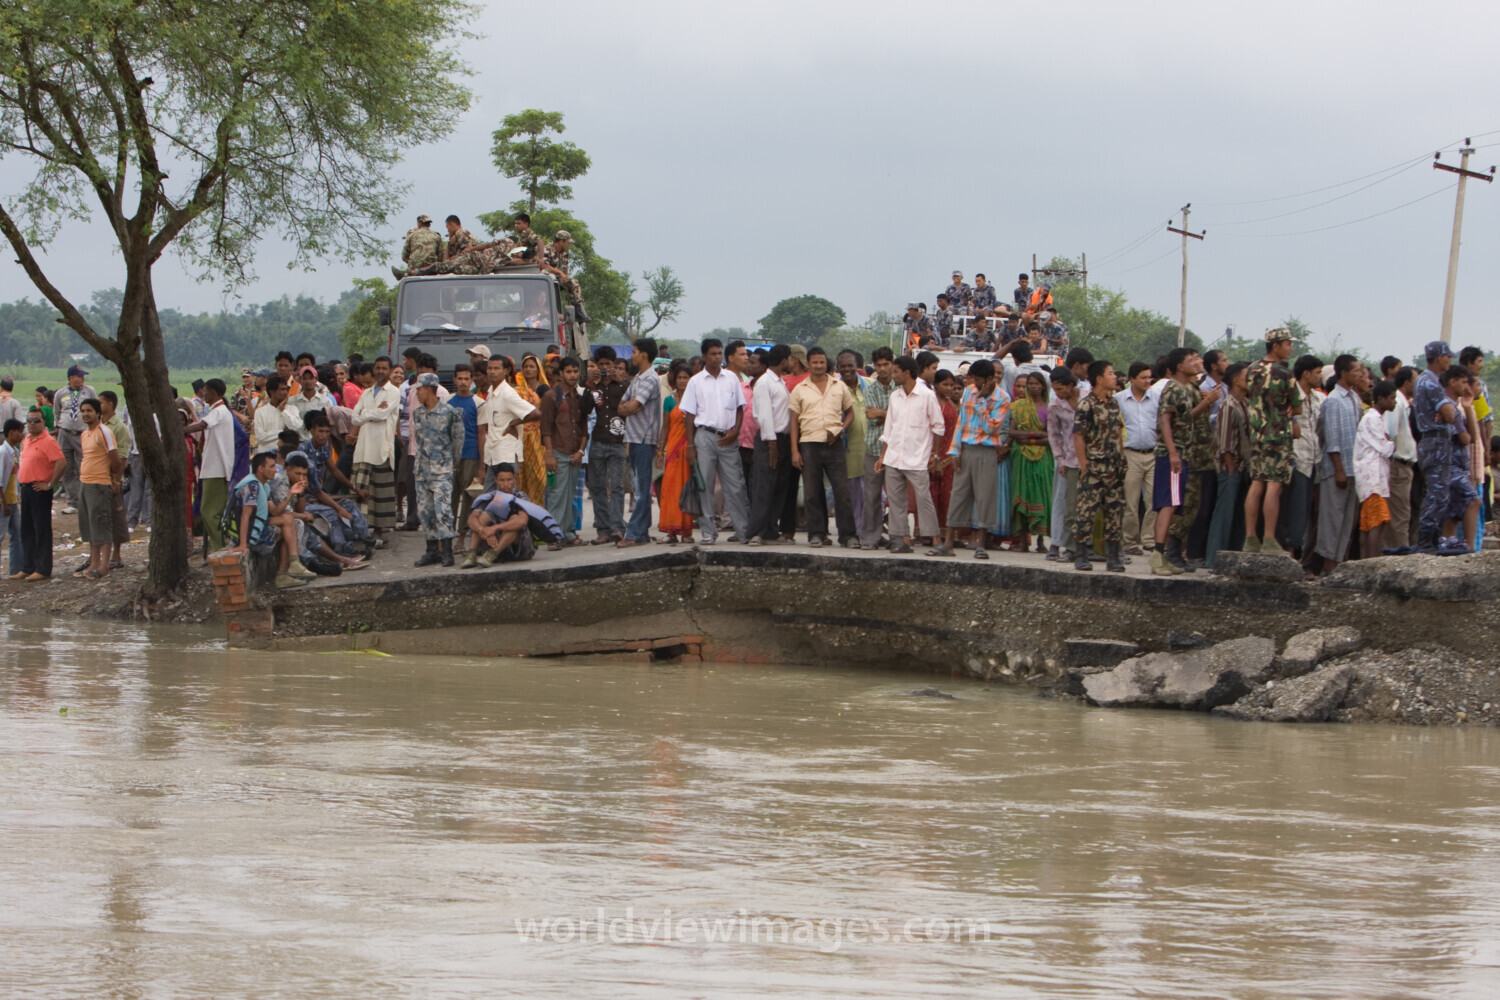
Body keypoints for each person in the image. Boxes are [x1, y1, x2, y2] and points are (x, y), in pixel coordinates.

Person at [929, 360, 1008, 559]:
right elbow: (961, 422)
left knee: (984, 497)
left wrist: (982, 401)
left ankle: (981, 544)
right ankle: (948, 544)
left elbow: (992, 427)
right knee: (958, 495)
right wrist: (954, 451)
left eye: (979, 380)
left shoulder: (1002, 398)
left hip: (986, 450)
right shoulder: (969, 391)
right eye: (974, 379)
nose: (975, 383)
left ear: (990, 379)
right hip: (966, 448)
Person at [680, 338, 750, 545]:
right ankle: (708, 532)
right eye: (713, 354)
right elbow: (689, 416)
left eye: (719, 353)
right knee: (705, 486)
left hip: (728, 438)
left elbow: (739, 408)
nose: (717, 357)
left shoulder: (731, 379)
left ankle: (742, 530)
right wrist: (691, 445)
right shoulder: (695, 381)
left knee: (735, 486)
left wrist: (735, 431)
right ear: (704, 356)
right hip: (704, 436)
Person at [874, 356, 944, 553]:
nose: (892, 375)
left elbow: (938, 427)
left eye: (896, 371)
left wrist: (935, 455)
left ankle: (936, 540)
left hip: (918, 457)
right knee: (896, 501)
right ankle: (903, 540)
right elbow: (889, 430)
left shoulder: (927, 396)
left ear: (906, 372)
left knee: (924, 499)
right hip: (895, 456)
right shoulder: (895, 396)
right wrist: (882, 457)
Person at [1241, 328, 1301, 556]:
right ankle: (1268, 538)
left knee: (1257, 483)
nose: (1290, 347)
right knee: (1274, 487)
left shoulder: (1251, 370)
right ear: (1276, 346)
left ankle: (1250, 537)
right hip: (1278, 435)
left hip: (1256, 435)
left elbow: (1251, 397)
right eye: (1287, 343)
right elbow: (1297, 407)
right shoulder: (1286, 373)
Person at [789, 347, 856, 548]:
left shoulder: (839, 386)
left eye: (821, 362)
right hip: (809, 444)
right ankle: (817, 533)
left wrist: (841, 430)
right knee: (812, 492)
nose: (818, 366)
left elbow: (850, 413)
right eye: (815, 362)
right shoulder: (800, 389)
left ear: (826, 363)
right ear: (808, 364)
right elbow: (793, 422)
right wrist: (794, 451)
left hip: (834, 444)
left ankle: (848, 535)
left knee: (842, 492)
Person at [1150, 348, 1205, 576]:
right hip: (1172, 454)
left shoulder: (1186, 389)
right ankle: (1157, 554)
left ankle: (1162, 555)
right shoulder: (1173, 388)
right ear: (1180, 366)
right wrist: (1173, 453)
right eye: (1191, 360)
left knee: (1173, 504)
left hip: (1183, 452)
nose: (1196, 362)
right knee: (1168, 503)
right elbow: (1164, 420)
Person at [1314, 356, 1368, 573]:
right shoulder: (1334, 400)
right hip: (1338, 469)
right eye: (1355, 370)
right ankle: (1328, 566)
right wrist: (1339, 469)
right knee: (1332, 518)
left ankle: (1339, 564)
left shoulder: (1354, 398)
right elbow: (1332, 438)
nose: (1359, 374)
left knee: (1347, 520)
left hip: (1353, 467)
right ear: (1344, 373)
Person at [411, 373, 465, 567]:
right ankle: (432, 550)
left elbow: (458, 441)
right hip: (422, 470)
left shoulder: (450, 413)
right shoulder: (418, 413)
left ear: (430, 389)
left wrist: (453, 464)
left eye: (420, 389)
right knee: (425, 512)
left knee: (443, 511)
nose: (417, 393)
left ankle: (447, 551)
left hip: (441, 469)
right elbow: (418, 440)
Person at [233, 451, 307, 589]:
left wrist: (291, 493)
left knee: (289, 523)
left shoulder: (264, 485)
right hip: (252, 536)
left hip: (258, 527)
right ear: (261, 468)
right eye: (272, 467)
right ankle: (289, 568)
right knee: (289, 525)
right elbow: (245, 515)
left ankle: (290, 567)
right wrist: (243, 544)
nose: (275, 470)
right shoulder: (252, 486)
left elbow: (275, 511)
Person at [540, 356, 593, 546]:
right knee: (556, 496)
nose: (573, 375)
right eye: (569, 372)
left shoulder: (579, 398)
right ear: (561, 373)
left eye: (575, 371)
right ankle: (553, 536)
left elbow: (584, 428)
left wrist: (581, 451)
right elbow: (545, 429)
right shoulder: (551, 397)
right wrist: (549, 455)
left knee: (571, 496)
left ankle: (568, 533)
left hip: (575, 454)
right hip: (558, 452)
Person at [349, 355, 401, 546]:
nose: (380, 371)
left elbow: (382, 414)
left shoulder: (393, 392)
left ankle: (379, 532)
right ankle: (362, 532)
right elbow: (354, 418)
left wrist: (366, 413)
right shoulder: (367, 392)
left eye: (384, 368)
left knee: (381, 493)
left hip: (382, 448)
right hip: (363, 447)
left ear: (389, 370)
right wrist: (372, 412)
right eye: (377, 368)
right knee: (361, 490)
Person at [1203, 362, 1251, 568]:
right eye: (1246, 376)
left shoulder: (1246, 403)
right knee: (1223, 515)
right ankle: (1214, 559)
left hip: (1242, 467)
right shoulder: (1228, 405)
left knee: (1238, 516)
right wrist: (1230, 469)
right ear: (1236, 381)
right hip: (1229, 468)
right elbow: (1224, 443)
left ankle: (1231, 558)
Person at [617, 338, 663, 548]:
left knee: (642, 489)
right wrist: (630, 407)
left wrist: (630, 406)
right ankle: (641, 532)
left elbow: (634, 405)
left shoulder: (650, 379)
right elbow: (621, 407)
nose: (632, 355)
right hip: (634, 437)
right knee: (639, 485)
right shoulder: (637, 379)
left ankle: (634, 533)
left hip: (644, 438)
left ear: (644, 354)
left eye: (634, 351)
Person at [71, 399, 122, 580]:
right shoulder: (85, 434)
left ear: (98, 413)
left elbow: (115, 458)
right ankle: (93, 561)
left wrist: (114, 478)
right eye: (83, 411)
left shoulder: (104, 432)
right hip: (85, 483)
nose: (85, 414)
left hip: (100, 484)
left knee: (101, 522)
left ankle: (104, 565)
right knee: (89, 524)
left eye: (89, 411)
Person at [1413, 341, 1457, 551]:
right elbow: (1450, 414)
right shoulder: (1431, 383)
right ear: (1439, 357)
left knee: (1438, 493)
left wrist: (1448, 408)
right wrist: (1450, 407)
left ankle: (1431, 540)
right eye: (1447, 356)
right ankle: (1426, 542)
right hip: (1436, 441)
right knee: (1437, 494)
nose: (1449, 359)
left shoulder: (1427, 381)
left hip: (1433, 440)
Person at [184, 379, 235, 556]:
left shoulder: (219, 411)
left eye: (205, 391)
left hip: (216, 467)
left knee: (209, 511)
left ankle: (220, 546)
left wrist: (181, 430)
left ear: (213, 392)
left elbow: (202, 425)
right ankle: (220, 544)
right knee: (213, 510)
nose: (203, 394)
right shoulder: (219, 411)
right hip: (214, 467)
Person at [585, 346, 629, 544]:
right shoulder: (594, 387)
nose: (604, 368)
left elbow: (632, 403)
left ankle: (617, 528)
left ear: (614, 365)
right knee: (598, 487)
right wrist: (591, 384)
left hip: (619, 442)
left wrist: (620, 382)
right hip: (598, 441)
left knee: (618, 486)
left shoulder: (623, 385)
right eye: (600, 364)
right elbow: (585, 408)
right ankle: (603, 529)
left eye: (607, 365)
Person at [461, 480, 559, 568]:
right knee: (483, 517)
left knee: (514, 518)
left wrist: (494, 528)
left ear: (514, 479)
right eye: (502, 480)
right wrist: (483, 531)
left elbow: (522, 521)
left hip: (520, 549)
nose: (506, 484)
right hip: (492, 541)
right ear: (496, 480)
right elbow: (471, 519)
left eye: (509, 480)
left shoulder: (520, 496)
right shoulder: (490, 497)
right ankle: (471, 555)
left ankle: (492, 555)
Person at [1115, 362, 1159, 555]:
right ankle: (1130, 541)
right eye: (1143, 377)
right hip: (1130, 453)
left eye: (1149, 377)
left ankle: (1149, 538)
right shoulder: (1119, 399)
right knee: (1130, 500)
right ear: (1132, 379)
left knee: (1153, 498)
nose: (1147, 381)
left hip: (1153, 453)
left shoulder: (1156, 398)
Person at [478, 355, 539, 491]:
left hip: (506, 454)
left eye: (496, 368)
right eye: (490, 368)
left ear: (505, 371)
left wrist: (513, 424)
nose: (492, 372)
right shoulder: (491, 392)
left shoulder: (508, 393)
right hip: (494, 453)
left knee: (507, 498)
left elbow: (535, 413)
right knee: (491, 497)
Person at [1008, 371, 1053, 551]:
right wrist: (1037, 435)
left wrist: (1027, 438)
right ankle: (1023, 541)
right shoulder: (1018, 407)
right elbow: (1012, 432)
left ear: (1043, 386)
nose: (1033, 387)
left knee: (1043, 494)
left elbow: (1051, 436)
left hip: (1043, 457)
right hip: (1021, 457)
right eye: (1030, 384)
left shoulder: (1049, 408)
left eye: (1036, 383)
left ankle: (1041, 541)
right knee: (1021, 494)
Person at [1355, 379, 1398, 561]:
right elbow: (1385, 448)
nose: (1395, 402)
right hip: (1372, 480)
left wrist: (1388, 442)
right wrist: (1391, 443)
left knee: (1367, 523)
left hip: (1374, 479)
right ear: (1381, 399)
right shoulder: (1372, 419)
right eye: (1392, 398)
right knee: (1376, 521)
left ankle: (1365, 560)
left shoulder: (1375, 419)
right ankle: (1371, 560)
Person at [656, 362, 696, 545]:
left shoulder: (696, 399)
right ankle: (671, 531)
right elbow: (665, 427)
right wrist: (660, 450)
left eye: (685, 378)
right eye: (679, 377)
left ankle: (686, 531)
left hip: (689, 449)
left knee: (687, 489)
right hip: (672, 449)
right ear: (675, 379)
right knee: (670, 489)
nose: (682, 381)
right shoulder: (669, 401)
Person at [445, 363, 484, 539]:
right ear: (454, 380)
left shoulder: (479, 403)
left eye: (466, 379)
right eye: (459, 378)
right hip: (450, 456)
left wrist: (482, 464)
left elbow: (482, 433)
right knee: (450, 495)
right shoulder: (446, 402)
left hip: (470, 454)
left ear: (471, 380)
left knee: (468, 495)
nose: (463, 382)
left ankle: (462, 535)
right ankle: (448, 533)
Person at [1046, 368, 1081, 563]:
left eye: (1060, 389)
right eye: (1055, 389)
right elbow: (1054, 435)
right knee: (1063, 503)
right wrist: (1060, 460)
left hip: (1089, 459)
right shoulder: (1055, 406)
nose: (1058, 393)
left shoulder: (1088, 398)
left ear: (1070, 385)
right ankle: (1059, 543)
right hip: (1068, 460)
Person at [52, 364, 96, 514]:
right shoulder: (60, 393)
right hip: (65, 433)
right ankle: (72, 502)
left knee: (85, 466)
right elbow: (57, 411)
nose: (83, 378)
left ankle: (86, 500)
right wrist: (58, 426)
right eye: (80, 376)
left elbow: (97, 410)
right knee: (66, 467)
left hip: (82, 433)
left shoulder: (89, 391)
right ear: (71, 378)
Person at [1385, 366, 1419, 550]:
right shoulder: (1396, 402)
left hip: (1403, 465)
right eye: (1416, 381)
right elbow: (1388, 433)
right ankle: (1399, 553)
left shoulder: (1404, 404)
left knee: (1401, 512)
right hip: (1398, 465)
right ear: (1407, 383)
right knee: (1400, 514)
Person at [97, 392, 132, 567]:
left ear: (110, 404)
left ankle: (116, 555)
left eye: (100, 402)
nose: (98, 405)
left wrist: (117, 480)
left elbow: (123, 457)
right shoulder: (97, 425)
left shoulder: (119, 428)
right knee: (99, 517)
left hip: (111, 477)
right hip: (97, 476)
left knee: (115, 516)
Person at [252, 375, 304, 451]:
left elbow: (297, 428)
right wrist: (283, 433)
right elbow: (260, 438)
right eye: (282, 389)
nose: (286, 392)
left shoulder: (292, 409)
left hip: (287, 455)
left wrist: (283, 410)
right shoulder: (260, 412)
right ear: (271, 391)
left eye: (286, 389)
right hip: (266, 455)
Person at [1, 419, 23, 577]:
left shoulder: (14, 451)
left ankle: (16, 569)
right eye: (19, 431)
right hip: (5, 501)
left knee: (17, 533)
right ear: (11, 432)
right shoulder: (3, 452)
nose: (22, 434)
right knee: (1, 535)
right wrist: (3, 504)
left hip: (12, 500)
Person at [392, 213, 446, 278]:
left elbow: (404, 257)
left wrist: (414, 264)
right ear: (429, 224)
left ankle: (406, 273)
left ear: (418, 223)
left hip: (414, 269)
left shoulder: (411, 236)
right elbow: (441, 257)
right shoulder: (436, 236)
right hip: (431, 270)